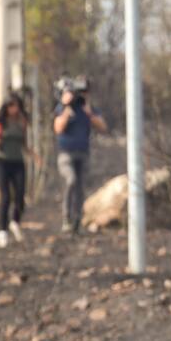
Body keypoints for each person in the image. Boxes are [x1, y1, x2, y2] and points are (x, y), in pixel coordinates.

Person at [53, 77, 107, 234]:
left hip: (83, 153)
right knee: (71, 181)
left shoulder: (87, 108)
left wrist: (90, 113)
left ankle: (77, 222)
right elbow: (58, 128)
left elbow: (103, 126)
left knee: (80, 189)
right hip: (66, 154)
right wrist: (65, 107)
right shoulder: (63, 107)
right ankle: (66, 218)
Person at [0, 93, 38, 248]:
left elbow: (24, 143)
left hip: (18, 161)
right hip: (2, 161)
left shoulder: (21, 121)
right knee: (6, 197)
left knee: (21, 195)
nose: (13, 109)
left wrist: (35, 157)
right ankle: (2, 231)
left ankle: (15, 222)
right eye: (11, 106)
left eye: (16, 106)